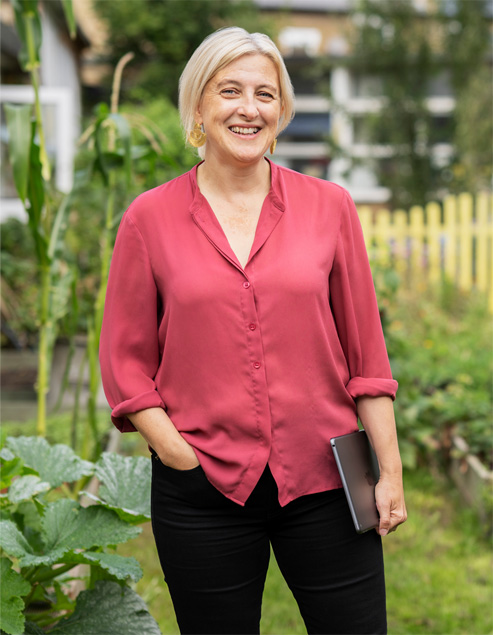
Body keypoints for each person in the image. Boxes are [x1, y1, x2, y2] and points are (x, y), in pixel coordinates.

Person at [99, 26, 407, 635]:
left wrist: (390, 473)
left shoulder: (330, 207)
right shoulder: (149, 218)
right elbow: (125, 362)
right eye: (230, 90)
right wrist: (178, 455)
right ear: (198, 106)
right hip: (203, 486)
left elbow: (366, 357)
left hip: (328, 477)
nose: (249, 108)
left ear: (282, 110)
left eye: (265, 94)